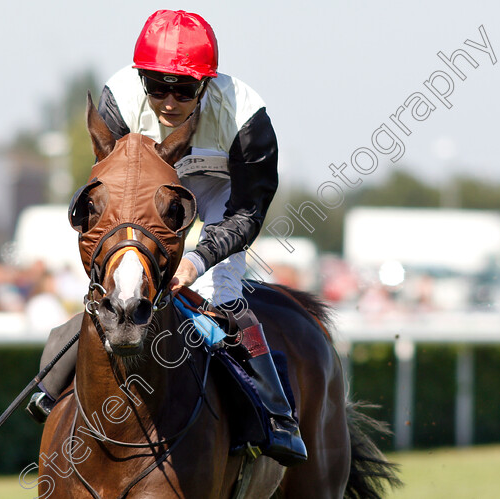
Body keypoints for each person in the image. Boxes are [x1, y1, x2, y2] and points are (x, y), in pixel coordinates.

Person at [27, 9, 307, 466]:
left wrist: (195, 261)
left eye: (184, 89)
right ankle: (53, 384)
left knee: (222, 295)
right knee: (119, 288)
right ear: (141, 79)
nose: (170, 101)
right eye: (157, 86)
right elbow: (110, 190)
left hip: (221, 195)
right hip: (146, 196)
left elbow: (248, 210)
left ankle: (277, 414)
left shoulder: (246, 116)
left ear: (206, 85)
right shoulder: (118, 99)